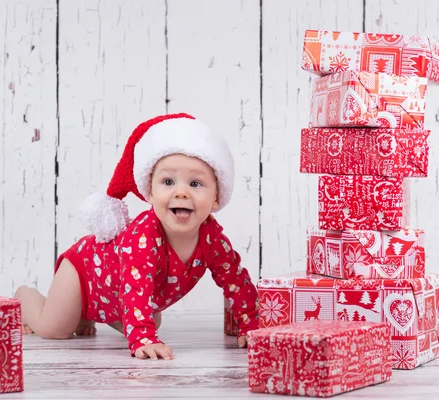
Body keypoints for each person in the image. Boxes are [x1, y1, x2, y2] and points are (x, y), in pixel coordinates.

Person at [14, 113, 259, 360]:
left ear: (216, 198)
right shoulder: (144, 235)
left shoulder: (212, 238)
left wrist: (250, 326)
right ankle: (25, 297)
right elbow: (135, 288)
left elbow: (235, 280)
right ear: (149, 193)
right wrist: (142, 337)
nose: (181, 192)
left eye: (195, 184)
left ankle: (88, 314)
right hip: (83, 270)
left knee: (152, 318)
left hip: (114, 291)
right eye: (168, 181)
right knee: (55, 329)